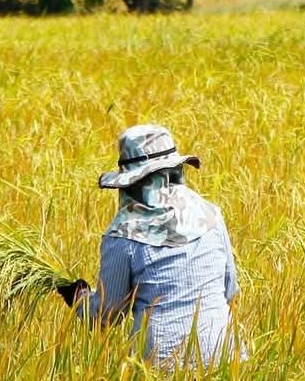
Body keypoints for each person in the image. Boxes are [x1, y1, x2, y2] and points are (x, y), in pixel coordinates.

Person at [57, 124, 243, 367]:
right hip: (227, 358)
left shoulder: (124, 235)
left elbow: (106, 314)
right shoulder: (212, 215)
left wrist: (79, 297)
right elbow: (229, 291)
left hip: (161, 365)